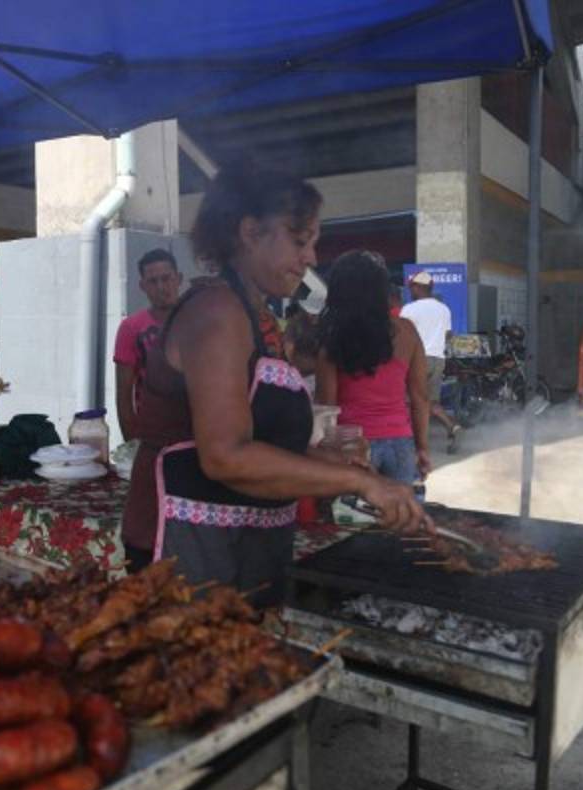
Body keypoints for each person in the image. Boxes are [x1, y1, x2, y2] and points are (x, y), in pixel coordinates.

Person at [119, 164, 428, 602]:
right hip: (186, 550)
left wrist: (331, 463)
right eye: (300, 241)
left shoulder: (257, 315)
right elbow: (225, 456)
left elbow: (255, 436)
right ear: (250, 232)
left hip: (243, 544)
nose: (312, 258)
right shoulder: (217, 313)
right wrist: (359, 484)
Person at [315, 252, 430, 487]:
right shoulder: (407, 331)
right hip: (400, 443)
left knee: (352, 520)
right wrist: (422, 448)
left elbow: (326, 406)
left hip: (351, 448)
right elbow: (421, 397)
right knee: (398, 519)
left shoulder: (333, 336)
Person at [113, 248, 183, 442]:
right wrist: (132, 445)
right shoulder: (131, 328)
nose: (161, 287)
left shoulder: (198, 320)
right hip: (153, 434)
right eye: (153, 281)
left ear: (179, 279)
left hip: (197, 431)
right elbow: (123, 396)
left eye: (166, 278)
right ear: (142, 286)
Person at [400, 271, 461, 451]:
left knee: (409, 400)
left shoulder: (410, 309)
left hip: (417, 359)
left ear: (419, 288)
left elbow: (403, 335)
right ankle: (451, 426)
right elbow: (449, 335)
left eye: (412, 287)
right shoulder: (444, 309)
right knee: (430, 402)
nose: (410, 290)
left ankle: (414, 441)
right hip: (437, 359)